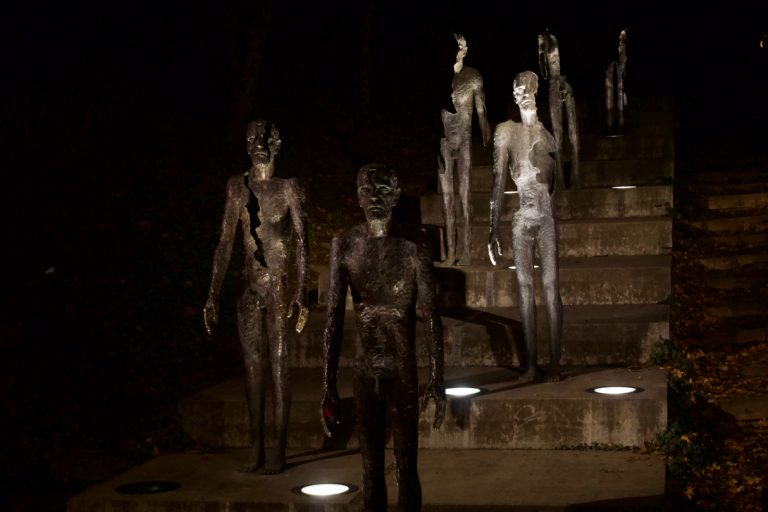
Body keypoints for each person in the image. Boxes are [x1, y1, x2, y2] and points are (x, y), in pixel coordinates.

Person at [321, 164, 446, 512]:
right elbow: (333, 315)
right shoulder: (344, 244)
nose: (374, 198)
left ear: (395, 194)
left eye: (382, 190)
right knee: (370, 469)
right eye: (366, 190)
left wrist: (438, 379)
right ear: (357, 195)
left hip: (402, 368)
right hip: (364, 368)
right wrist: (327, 382)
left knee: (407, 467)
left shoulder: (412, 247)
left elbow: (431, 315)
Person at [203, 119, 308, 474]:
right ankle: (256, 445)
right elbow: (224, 243)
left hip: (278, 287)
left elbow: (302, 243)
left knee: (278, 367)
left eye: (265, 137)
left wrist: (300, 292)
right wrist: (213, 293)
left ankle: (278, 447)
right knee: (252, 370)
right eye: (252, 138)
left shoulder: (288, 188)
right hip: (250, 286)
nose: (258, 143)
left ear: (276, 143)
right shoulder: (237, 187)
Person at [488, 71, 563, 383]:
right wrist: (492, 227)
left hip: (545, 217)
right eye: (520, 90)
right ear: (514, 95)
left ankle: (555, 365)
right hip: (522, 218)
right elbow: (497, 181)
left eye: (530, 89)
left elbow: (557, 180)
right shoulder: (505, 131)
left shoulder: (547, 136)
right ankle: (532, 366)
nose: (525, 93)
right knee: (525, 289)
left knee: (550, 287)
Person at [439, 33, 491, 265]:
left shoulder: (473, 77)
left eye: (461, 49)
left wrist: (484, 127)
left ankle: (467, 251)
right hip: (444, 141)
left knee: (464, 196)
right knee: (447, 199)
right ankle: (451, 252)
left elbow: (481, 109)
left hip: (463, 140)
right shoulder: (447, 79)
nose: (458, 52)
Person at [538, 30, 580, 189]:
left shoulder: (552, 41)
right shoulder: (546, 44)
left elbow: (545, 70)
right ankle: (561, 178)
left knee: (572, 133)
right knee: (558, 135)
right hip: (554, 86)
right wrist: (542, 48)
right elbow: (544, 71)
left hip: (563, 85)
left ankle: (575, 175)